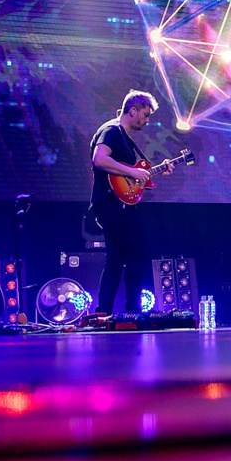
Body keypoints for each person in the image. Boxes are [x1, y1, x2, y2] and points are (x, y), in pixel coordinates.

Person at [90, 90, 170, 316]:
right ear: (132, 110)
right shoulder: (112, 130)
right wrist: (132, 172)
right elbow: (100, 159)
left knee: (115, 258)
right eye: (145, 115)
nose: (147, 120)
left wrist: (155, 172)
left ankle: (103, 312)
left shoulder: (124, 137)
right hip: (111, 202)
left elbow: (128, 176)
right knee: (137, 251)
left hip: (114, 202)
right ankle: (133, 309)